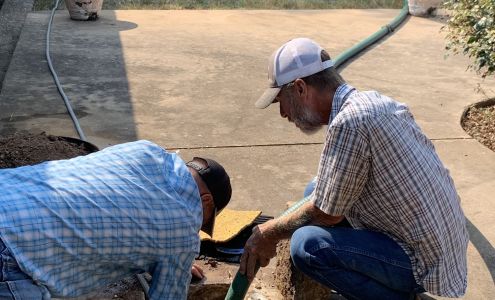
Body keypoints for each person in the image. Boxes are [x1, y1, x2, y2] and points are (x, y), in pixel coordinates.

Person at [239, 38, 468, 299]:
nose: (283, 113)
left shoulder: (349, 123)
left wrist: (269, 233)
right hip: (438, 245)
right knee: (316, 188)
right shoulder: (372, 102)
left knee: (308, 246)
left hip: (422, 263)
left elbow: (326, 214)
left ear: (300, 88)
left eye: (281, 100)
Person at [0, 140, 232, 300]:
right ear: (206, 201)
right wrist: (176, 261)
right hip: (11, 255)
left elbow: (120, 205)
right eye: (204, 222)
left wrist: (172, 263)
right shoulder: (181, 233)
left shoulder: (145, 150)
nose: (197, 229)